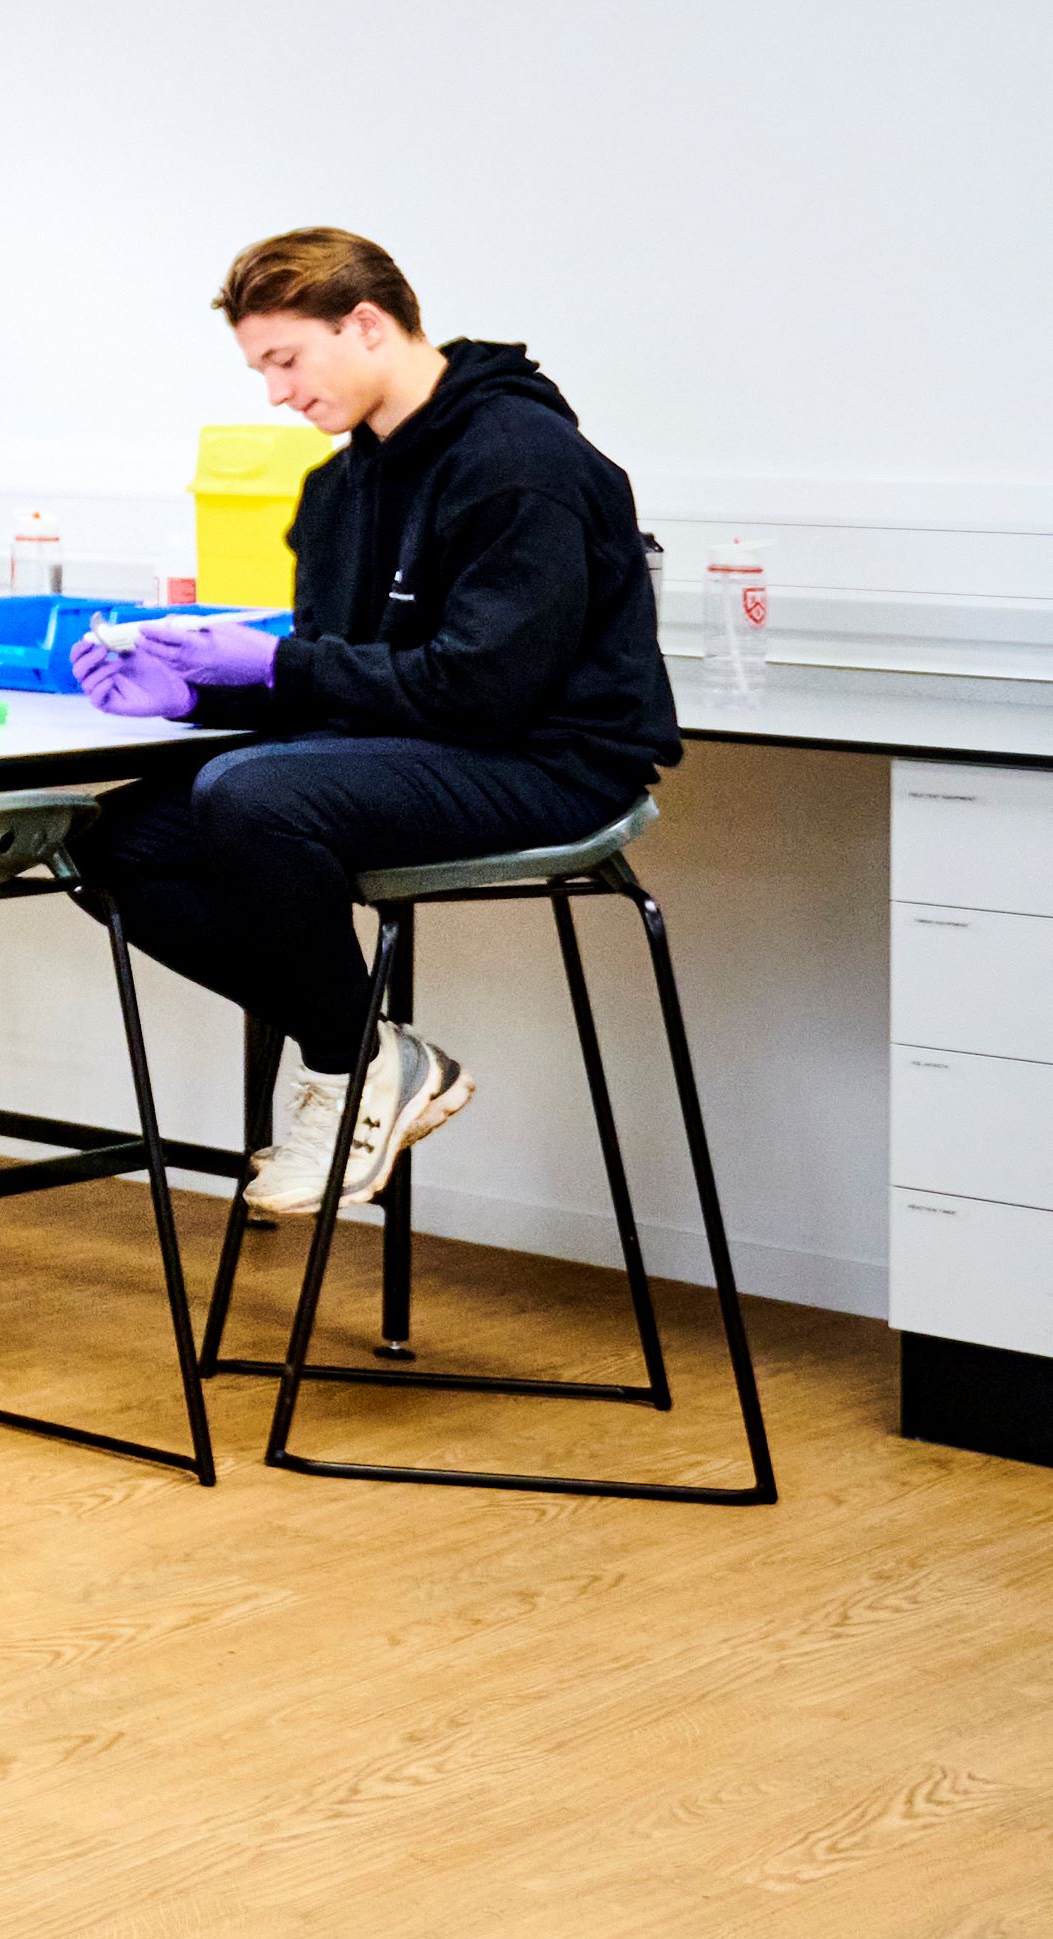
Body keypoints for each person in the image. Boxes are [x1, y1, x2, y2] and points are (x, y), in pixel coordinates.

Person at [75, 229, 680, 1223]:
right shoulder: (341, 486)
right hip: (432, 744)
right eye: (260, 369)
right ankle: (371, 1053)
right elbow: (342, 679)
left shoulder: (525, 463)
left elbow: (485, 690)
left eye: (285, 361)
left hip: (551, 762)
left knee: (254, 796)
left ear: (365, 324)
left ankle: (341, 1070)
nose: (275, 394)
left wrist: (267, 661)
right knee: (112, 843)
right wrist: (197, 696)